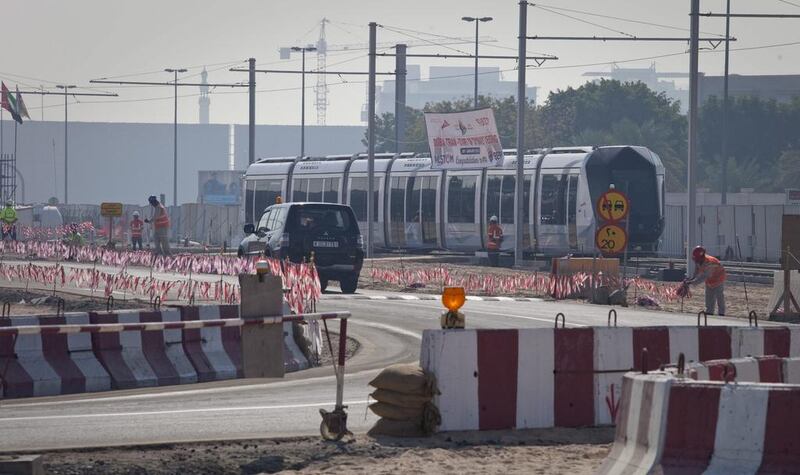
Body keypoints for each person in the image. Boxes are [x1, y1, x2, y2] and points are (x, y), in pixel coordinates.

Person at [686, 245, 727, 316]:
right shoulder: (699, 260)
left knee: (719, 296)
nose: (696, 261)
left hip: (718, 278)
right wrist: (692, 278)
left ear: (701, 257)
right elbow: (697, 270)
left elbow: (703, 277)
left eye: (697, 259)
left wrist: (692, 282)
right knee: (709, 296)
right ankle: (709, 312)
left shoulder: (709, 262)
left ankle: (721, 313)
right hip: (710, 279)